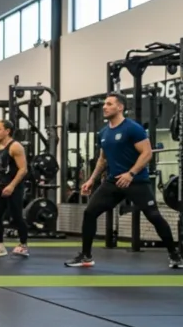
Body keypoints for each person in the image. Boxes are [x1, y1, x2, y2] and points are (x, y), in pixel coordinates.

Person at [66, 94, 182, 268]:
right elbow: (102, 159)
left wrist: (131, 174)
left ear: (120, 107)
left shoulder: (132, 128)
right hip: (113, 182)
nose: (104, 107)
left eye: (109, 104)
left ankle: (174, 255)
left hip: (136, 181)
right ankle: (86, 256)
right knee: (89, 212)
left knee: (154, 216)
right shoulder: (103, 132)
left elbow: (147, 153)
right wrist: (91, 180)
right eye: (104, 104)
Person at [0, 119, 29, 258]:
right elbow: (0, 170)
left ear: (7, 131)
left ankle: (23, 245)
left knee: (16, 217)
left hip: (14, 187)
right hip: (1, 186)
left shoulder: (15, 147)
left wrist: (12, 185)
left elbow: (23, 169)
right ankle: (0, 247)